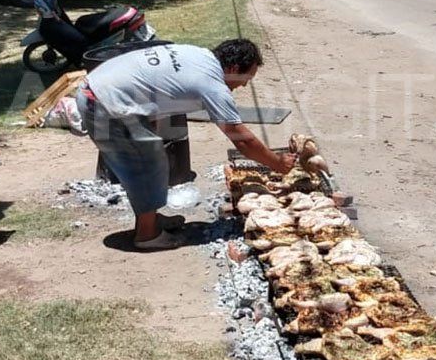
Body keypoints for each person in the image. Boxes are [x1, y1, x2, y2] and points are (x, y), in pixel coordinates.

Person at [77, 39, 296, 250]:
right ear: (234, 67)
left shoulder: (199, 54)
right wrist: (277, 163)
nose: (244, 84)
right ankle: (147, 236)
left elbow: (159, 82)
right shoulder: (212, 84)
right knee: (146, 164)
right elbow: (242, 139)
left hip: (100, 90)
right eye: (246, 77)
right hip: (103, 104)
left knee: (151, 157)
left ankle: (149, 219)